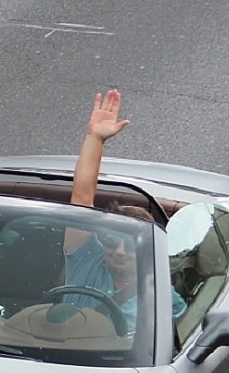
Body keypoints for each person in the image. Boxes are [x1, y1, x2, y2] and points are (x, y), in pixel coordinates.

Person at [60, 89, 187, 331]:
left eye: (128, 245)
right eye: (111, 242)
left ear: (145, 251)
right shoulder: (87, 259)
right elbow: (81, 199)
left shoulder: (163, 295)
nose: (119, 251)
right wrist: (95, 139)